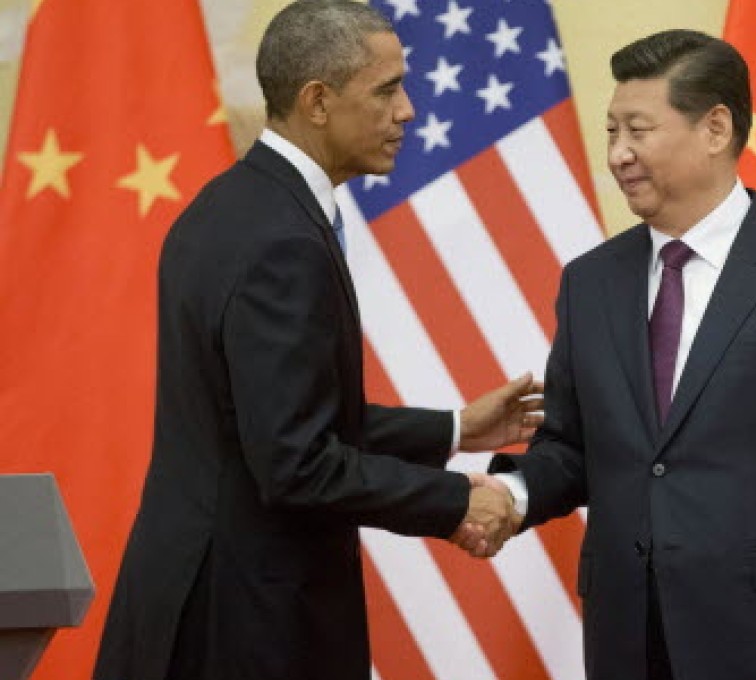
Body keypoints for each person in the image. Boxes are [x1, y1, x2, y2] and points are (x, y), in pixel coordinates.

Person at [92, 3, 531, 679]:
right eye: (386, 89)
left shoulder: (231, 205)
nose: (408, 110)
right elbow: (295, 463)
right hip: (244, 627)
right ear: (318, 102)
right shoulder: (283, 242)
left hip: (205, 602)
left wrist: (452, 429)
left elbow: (270, 423)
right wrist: (455, 500)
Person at [483, 29, 756, 680]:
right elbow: (571, 450)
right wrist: (507, 495)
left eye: (638, 130)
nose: (618, 154)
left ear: (715, 129)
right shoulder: (589, 281)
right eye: (610, 132)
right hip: (629, 637)